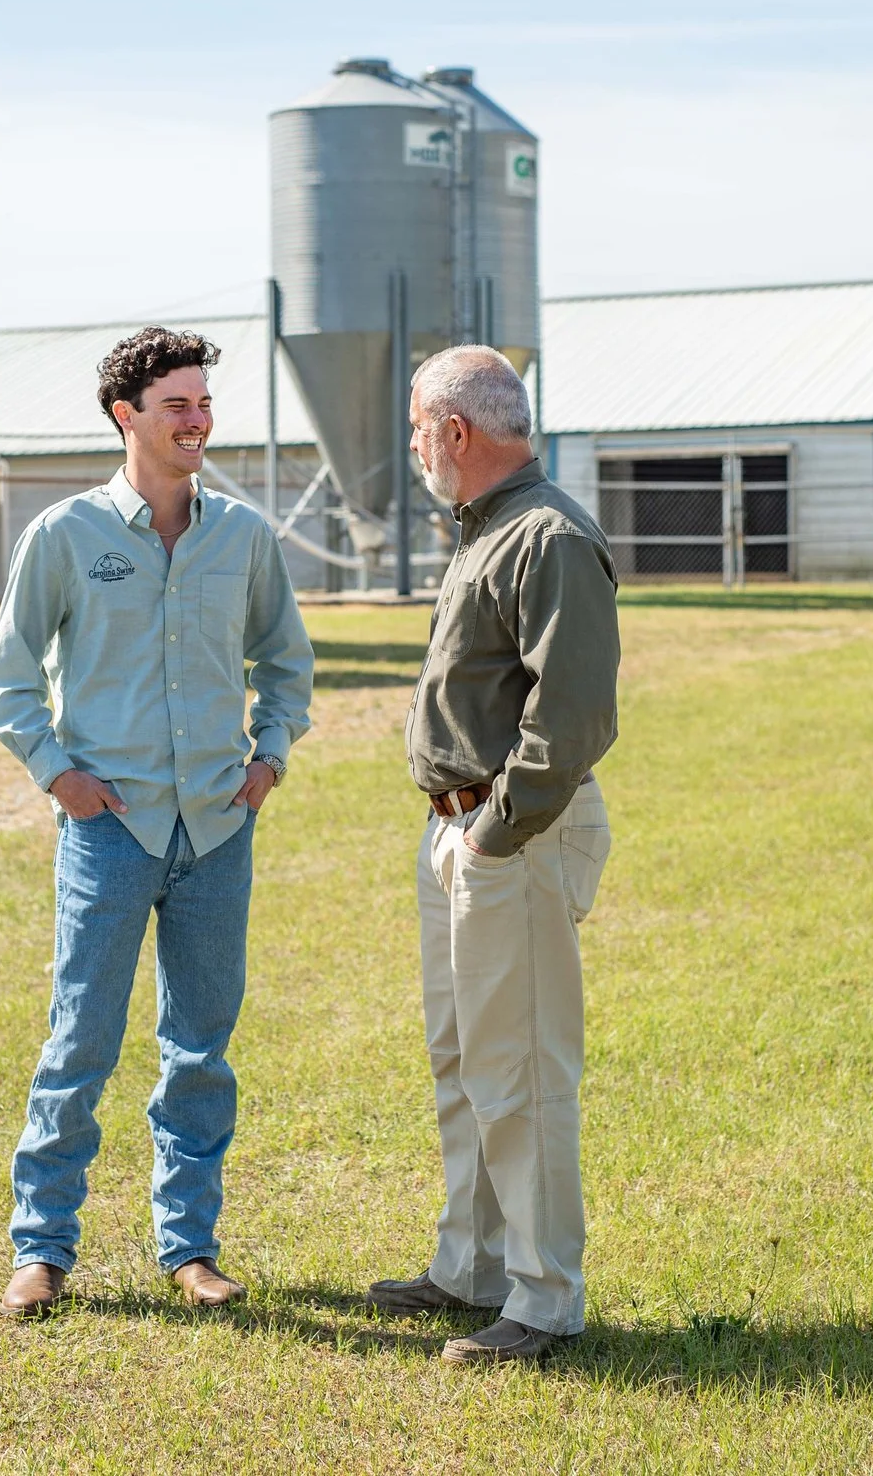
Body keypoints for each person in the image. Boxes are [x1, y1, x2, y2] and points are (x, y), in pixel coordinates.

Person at [0, 326, 314, 1321]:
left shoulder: (244, 535)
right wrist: (57, 775)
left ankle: (191, 1248)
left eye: (203, 403)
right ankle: (40, 1252)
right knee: (79, 1041)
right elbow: (7, 680)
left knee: (200, 1050)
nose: (197, 420)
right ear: (127, 416)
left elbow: (286, 664)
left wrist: (269, 758)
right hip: (109, 833)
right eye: (177, 405)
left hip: (217, 830)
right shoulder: (64, 536)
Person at [365, 344, 620, 1366]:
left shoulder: (546, 536)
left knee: (518, 1070)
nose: (415, 445)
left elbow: (574, 715)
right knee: (464, 1059)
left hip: (509, 835)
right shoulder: (487, 529)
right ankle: (469, 1266)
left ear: (457, 434)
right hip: (462, 831)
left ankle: (545, 1300)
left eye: (420, 428)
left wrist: (493, 828)